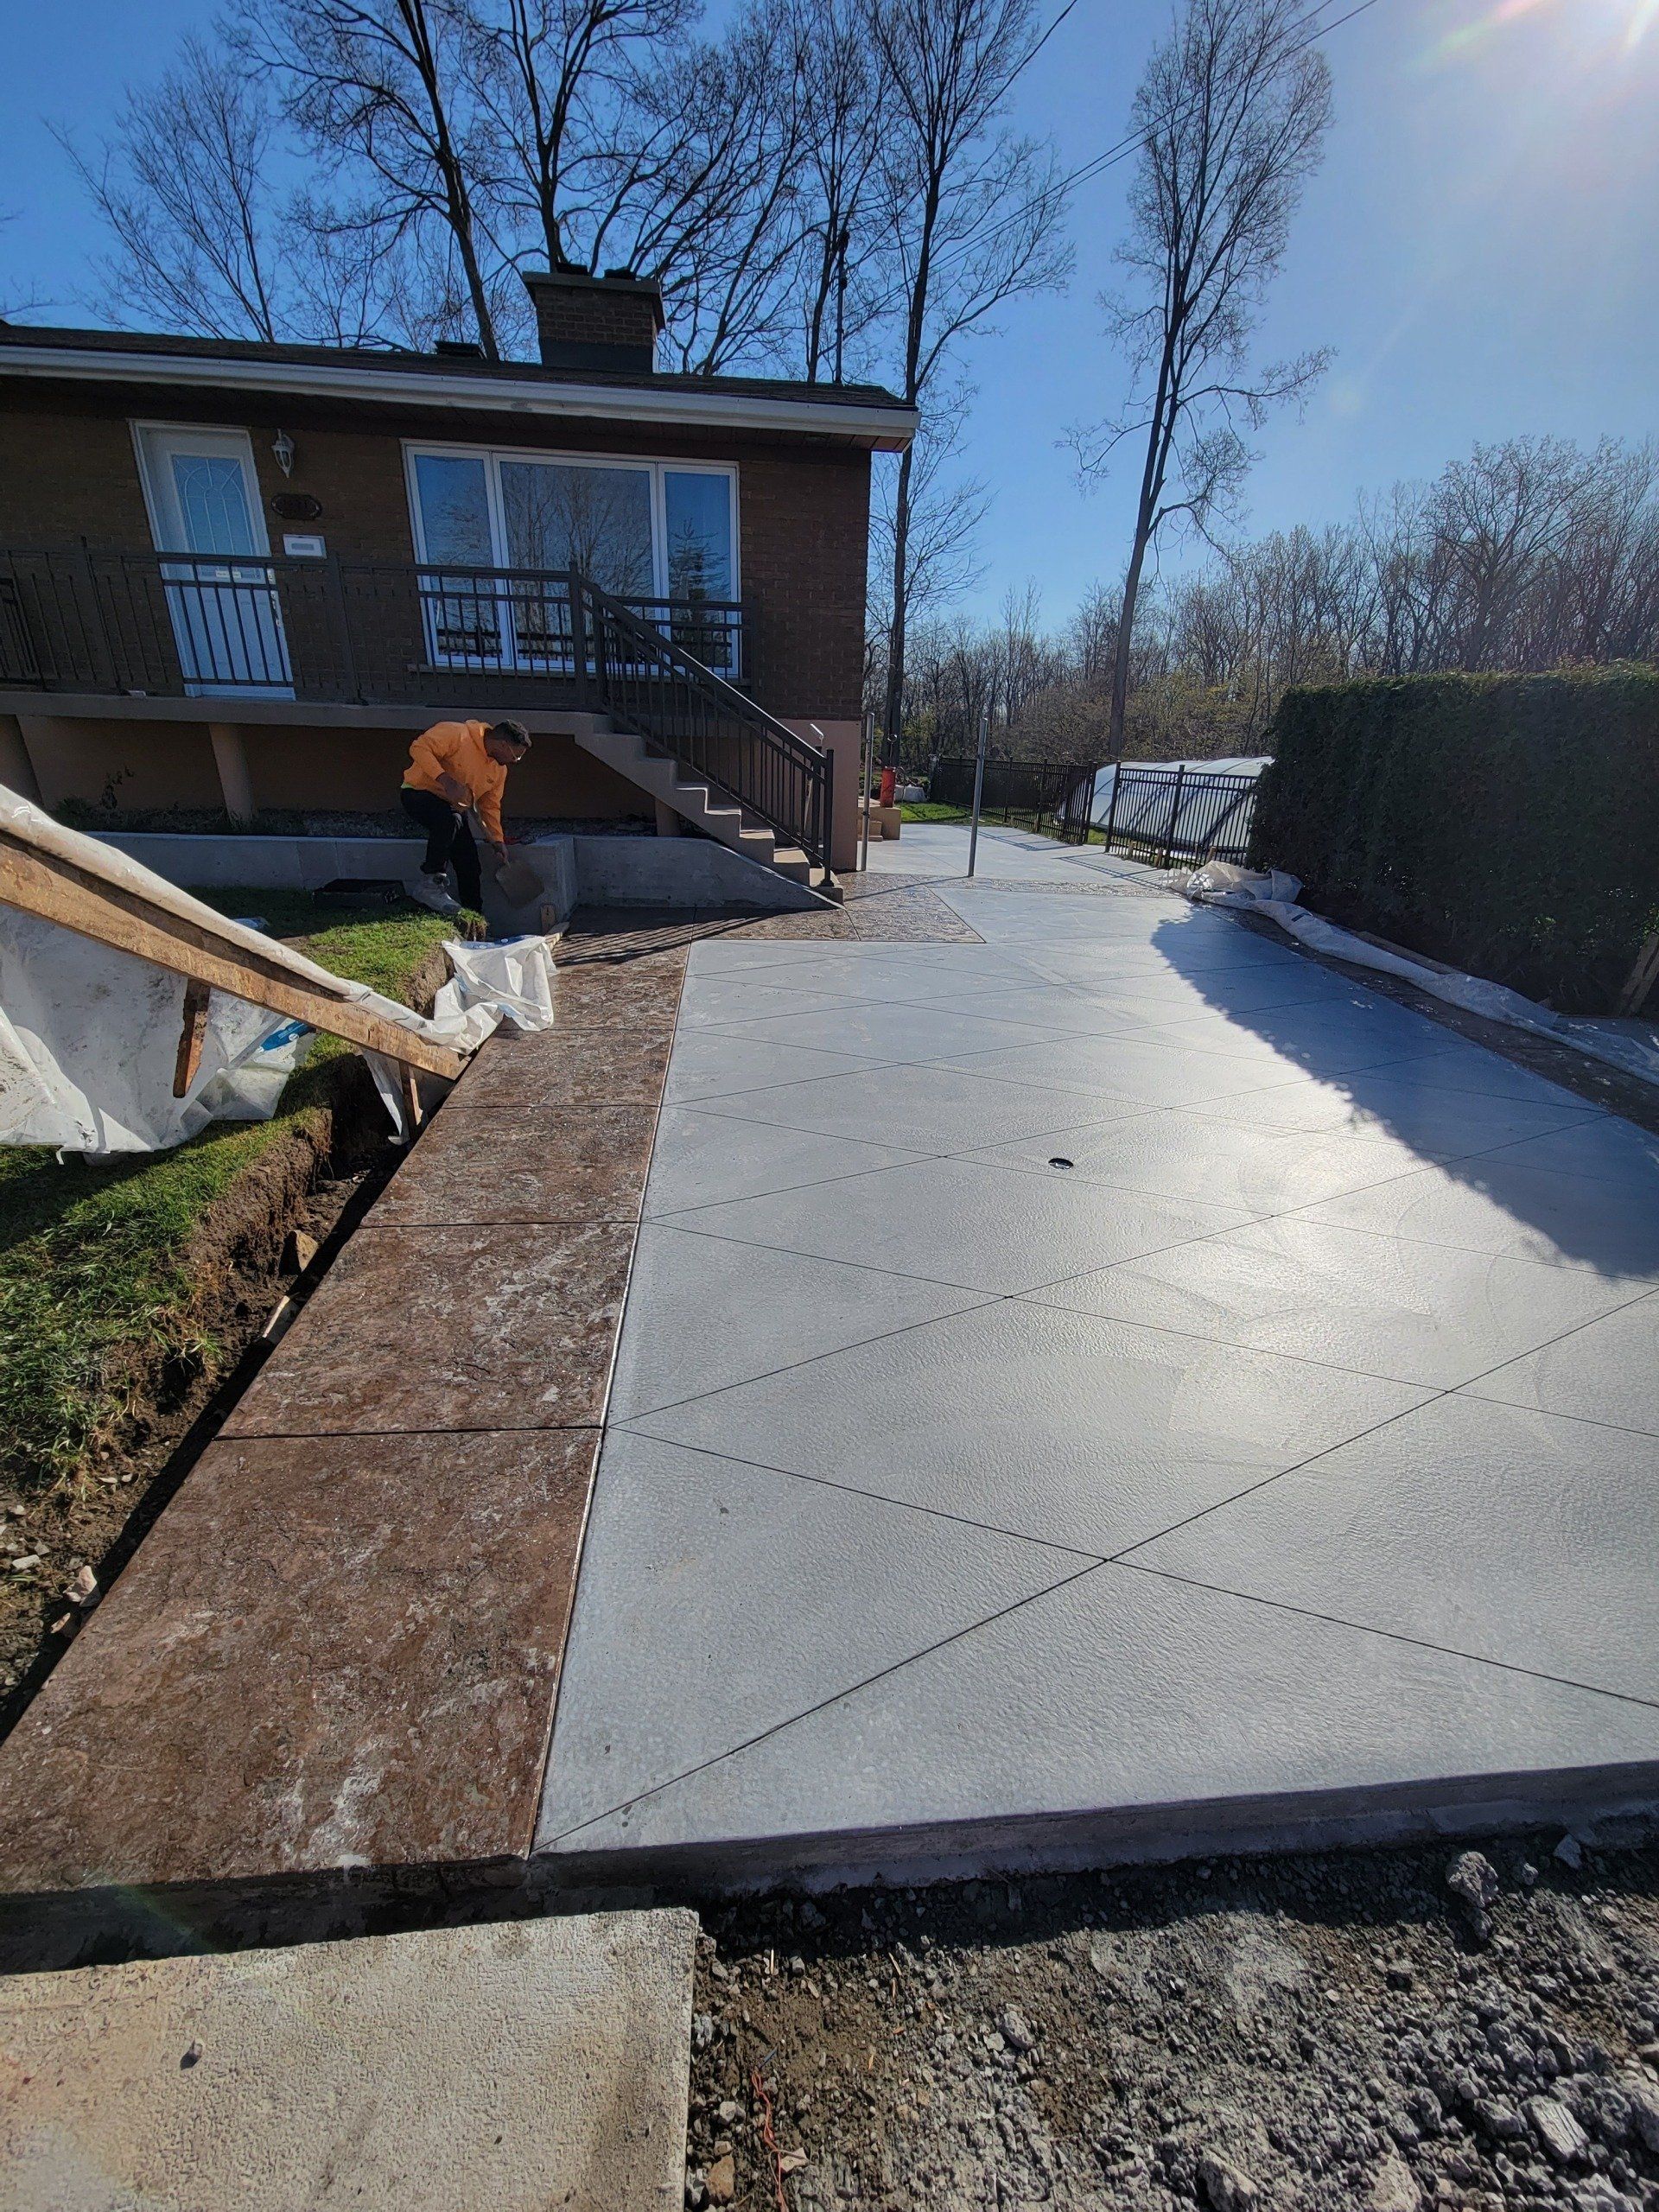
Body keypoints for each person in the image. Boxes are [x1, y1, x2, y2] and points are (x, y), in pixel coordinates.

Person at [400, 717, 531, 916]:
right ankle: (431, 883)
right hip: (419, 792)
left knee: (469, 862)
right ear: (503, 745)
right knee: (450, 820)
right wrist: (446, 780)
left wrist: (497, 839)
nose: (515, 761)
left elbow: (490, 805)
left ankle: (475, 920)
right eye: (516, 756)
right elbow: (419, 748)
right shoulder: (457, 734)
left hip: (454, 807)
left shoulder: (498, 770)